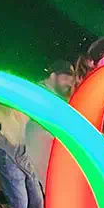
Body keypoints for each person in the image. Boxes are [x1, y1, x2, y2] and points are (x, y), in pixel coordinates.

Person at [24, 60, 76, 191]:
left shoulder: (60, 96)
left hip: (54, 158)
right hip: (40, 156)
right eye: (66, 78)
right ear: (53, 76)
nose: (70, 82)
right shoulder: (38, 93)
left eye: (72, 78)